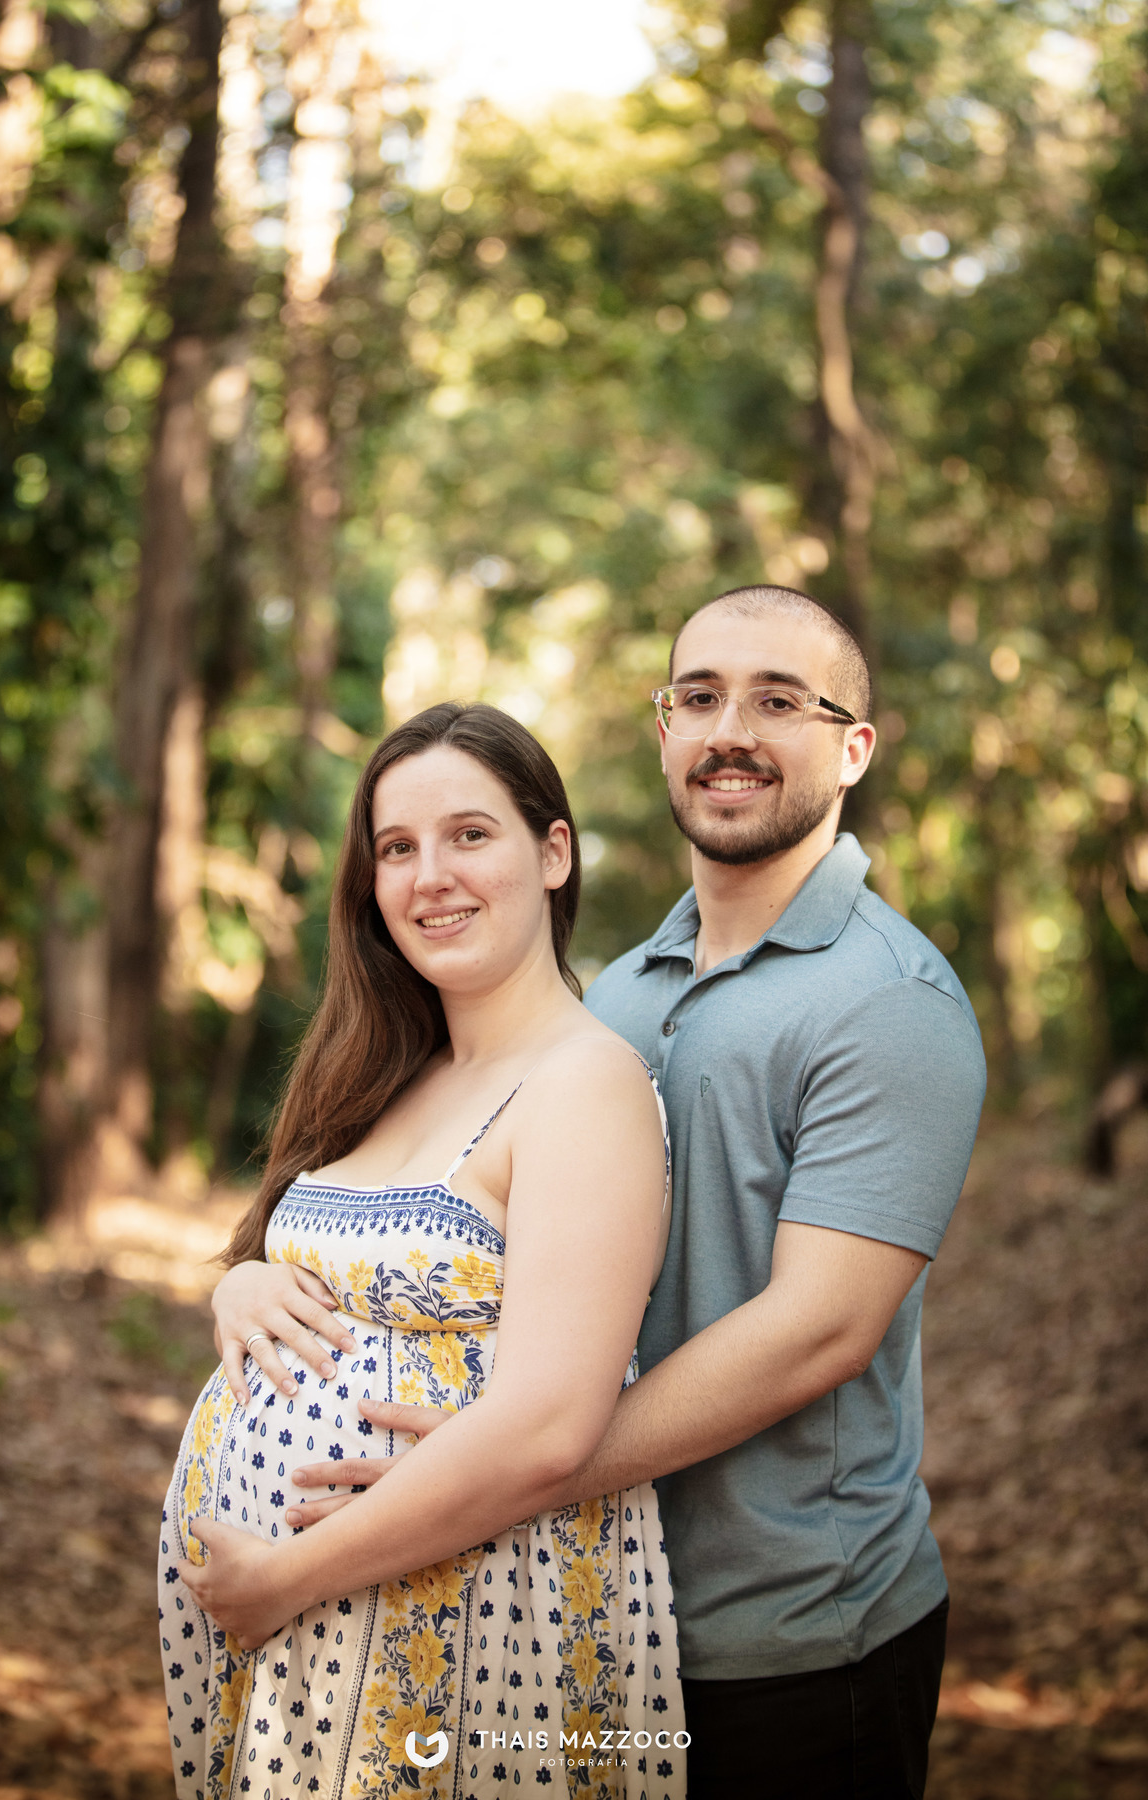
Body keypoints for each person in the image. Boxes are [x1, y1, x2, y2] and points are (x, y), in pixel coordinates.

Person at [285, 585, 987, 1799]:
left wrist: (513, 1468)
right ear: (663, 732)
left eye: (780, 702)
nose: (731, 732)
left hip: (792, 1636)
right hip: (588, 1611)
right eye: (699, 698)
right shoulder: (618, 992)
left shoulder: (890, 1003)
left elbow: (818, 1330)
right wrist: (256, 1282)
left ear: (854, 748)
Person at [158, 702, 686, 1800]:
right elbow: (297, 1260)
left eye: (469, 835)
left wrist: (288, 1577)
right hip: (307, 1636)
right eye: (397, 848)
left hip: (467, 1625)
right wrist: (242, 1283)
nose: (429, 876)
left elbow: (548, 1426)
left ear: (553, 853)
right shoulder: (388, 1065)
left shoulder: (584, 1085)